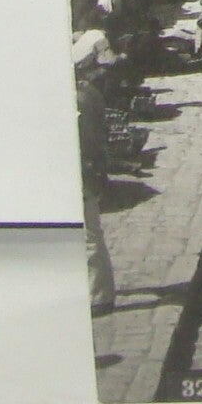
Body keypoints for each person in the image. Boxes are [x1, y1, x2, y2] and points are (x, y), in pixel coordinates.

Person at [74, 32, 117, 316]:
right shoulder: (88, 94)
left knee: (89, 234)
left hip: (83, 169)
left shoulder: (81, 98)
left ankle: (100, 296)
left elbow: (88, 141)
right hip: (88, 167)